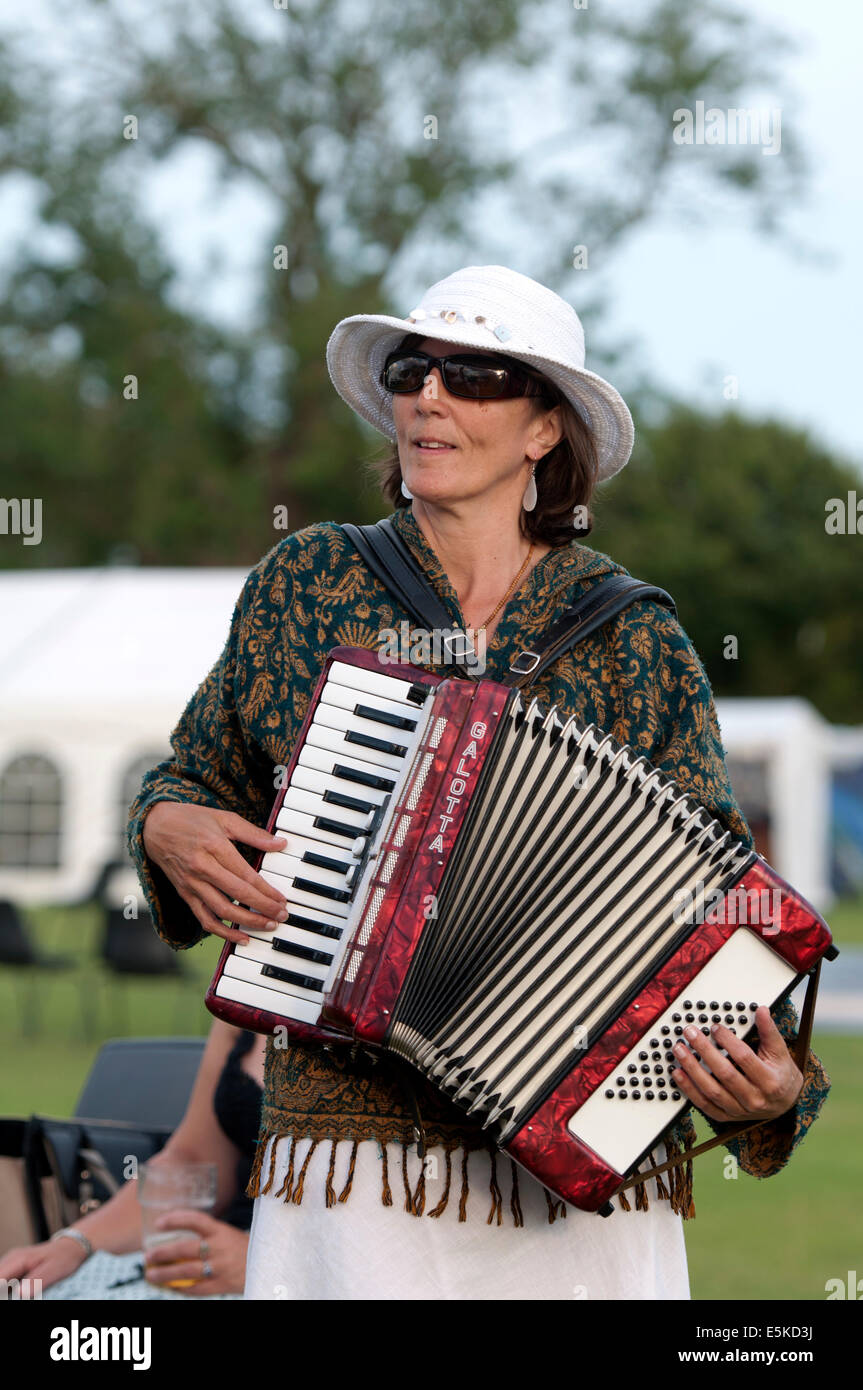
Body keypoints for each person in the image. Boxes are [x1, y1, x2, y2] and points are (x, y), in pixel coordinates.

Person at [127, 265, 830, 1301]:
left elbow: (722, 920)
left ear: (545, 428)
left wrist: (770, 1095)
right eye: (413, 370)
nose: (430, 396)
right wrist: (167, 823)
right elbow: (189, 778)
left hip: (578, 1174)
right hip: (346, 1162)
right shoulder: (307, 582)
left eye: (478, 375)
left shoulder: (632, 634)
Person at [0, 1021, 264, 1297]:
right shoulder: (244, 991)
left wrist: (259, 1262)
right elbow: (193, 1161)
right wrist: (76, 1243)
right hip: (208, 1267)